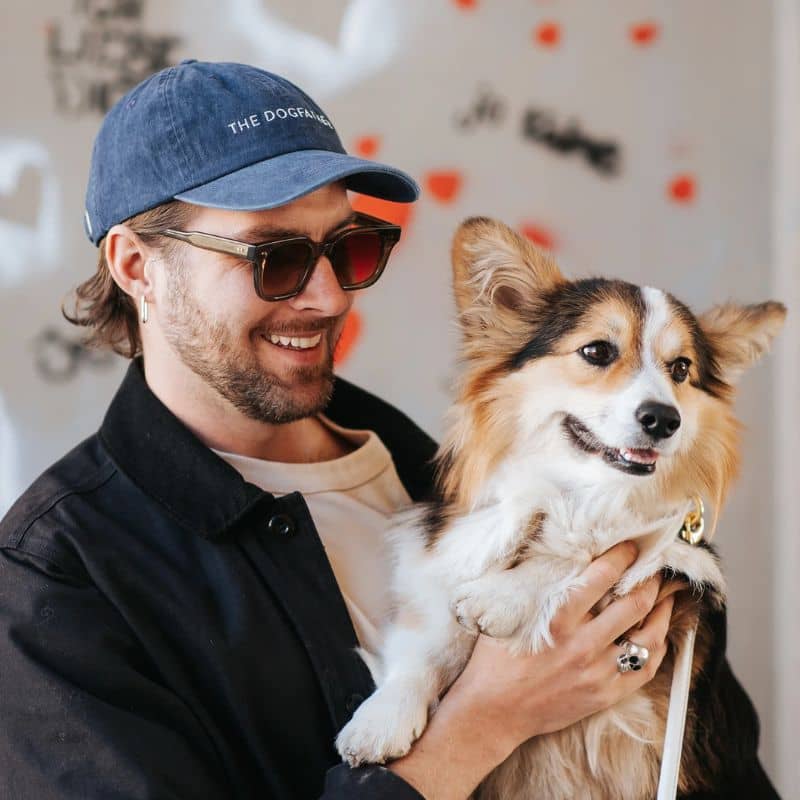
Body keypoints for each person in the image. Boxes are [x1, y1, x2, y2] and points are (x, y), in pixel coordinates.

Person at [0, 60, 778, 800]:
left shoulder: (456, 473)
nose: (330, 296)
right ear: (137, 267)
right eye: (275, 258)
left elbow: (724, 765)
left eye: (350, 248)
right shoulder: (57, 579)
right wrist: (484, 723)